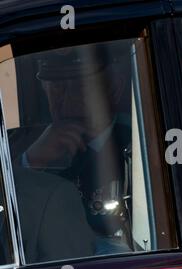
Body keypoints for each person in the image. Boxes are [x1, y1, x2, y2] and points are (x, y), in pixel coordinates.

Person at [15, 40, 134, 255]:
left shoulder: (139, 147)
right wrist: (31, 162)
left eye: (79, 87)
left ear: (113, 89)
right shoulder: (17, 145)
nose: (65, 100)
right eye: (56, 88)